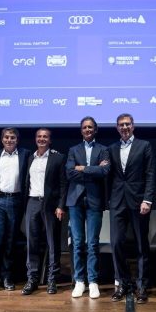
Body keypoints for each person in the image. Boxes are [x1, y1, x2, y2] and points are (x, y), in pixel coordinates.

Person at [108, 113, 155, 304]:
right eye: (121, 124)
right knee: (117, 243)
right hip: (117, 202)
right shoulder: (111, 149)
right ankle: (124, 283)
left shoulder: (144, 146)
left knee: (141, 245)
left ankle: (142, 285)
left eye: (127, 124)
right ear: (117, 128)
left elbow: (150, 174)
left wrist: (148, 200)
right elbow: (110, 176)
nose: (125, 127)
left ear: (133, 126)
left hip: (138, 202)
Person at [65, 116, 110, 299]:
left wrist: (82, 168)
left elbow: (105, 171)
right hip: (75, 201)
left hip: (94, 201)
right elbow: (69, 173)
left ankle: (92, 281)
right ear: (81, 130)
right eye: (85, 127)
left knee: (92, 243)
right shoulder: (73, 149)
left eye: (91, 127)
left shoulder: (103, 150)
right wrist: (93, 169)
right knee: (77, 243)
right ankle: (79, 281)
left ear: (95, 130)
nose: (88, 130)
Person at [0, 127, 30, 293]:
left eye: (13, 138)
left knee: (10, 241)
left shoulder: (25, 155)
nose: (9, 140)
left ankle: (6, 276)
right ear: (2, 139)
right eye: (7, 137)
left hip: (16, 201)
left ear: (17, 140)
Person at [21, 128, 67, 295]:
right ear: (35, 139)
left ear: (50, 140)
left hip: (50, 205)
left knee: (53, 243)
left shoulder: (58, 158)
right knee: (31, 242)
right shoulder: (30, 158)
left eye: (45, 137)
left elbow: (63, 184)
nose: (42, 139)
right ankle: (32, 278)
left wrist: (61, 205)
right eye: (39, 136)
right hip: (32, 202)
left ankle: (52, 279)